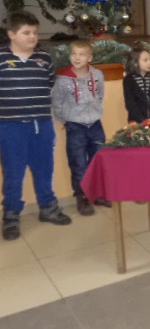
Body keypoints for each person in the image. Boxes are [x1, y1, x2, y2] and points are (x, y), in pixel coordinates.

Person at [0, 11, 71, 240]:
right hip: (10, 127)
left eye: (35, 32)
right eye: (26, 32)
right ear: (11, 34)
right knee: (13, 173)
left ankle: (48, 207)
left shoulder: (44, 59)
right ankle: (11, 216)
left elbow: (49, 84)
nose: (32, 37)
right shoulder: (1, 59)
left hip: (41, 124)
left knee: (44, 169)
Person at [52, 40, 109, 216]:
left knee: (98, 160)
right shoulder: (63, 79)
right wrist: (66, 121)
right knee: (78, 164)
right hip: (75, 126)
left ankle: (98, 193)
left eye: (82, 54)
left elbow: (99, 95)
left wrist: (94, 113)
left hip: (95, 124)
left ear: (89, 58)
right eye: (74, 54)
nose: (77, 58)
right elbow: (57, 103)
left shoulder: (97, 75)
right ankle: (82, 197)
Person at [123, 46, 150, 123]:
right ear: (135, 63)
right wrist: (143, 120)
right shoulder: (128, 80)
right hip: (136, 122)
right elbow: (130, 104)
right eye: (145, 60)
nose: (149, 63)